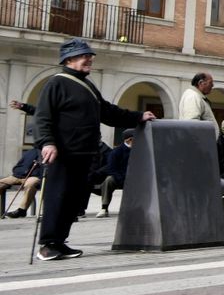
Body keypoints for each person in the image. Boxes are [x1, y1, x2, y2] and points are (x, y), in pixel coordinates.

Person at [33, 39, 155, 261]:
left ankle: (60, 242)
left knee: (74, 201)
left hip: (85, 153)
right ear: (69, 59)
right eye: (83, 56)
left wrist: (138, 116)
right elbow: (43, 117)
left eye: (89, 55)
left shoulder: (88, 86)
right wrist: (47, 143)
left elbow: (107, 112)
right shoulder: (56, 83)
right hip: (63, 153)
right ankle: (47, 245)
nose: (89, 58)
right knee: (57, 198)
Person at [91, 128, 136, 216]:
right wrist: (122, 179)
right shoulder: (117, 151)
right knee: (109, 180)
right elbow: (112, 169)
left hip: (135, 178)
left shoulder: (140, 150)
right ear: (130, 140)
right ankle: (104, 208)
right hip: (120, 177)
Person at [1, 143, 44, 217]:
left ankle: (22, 210)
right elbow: (18, 165)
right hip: (19, 176)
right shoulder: (29, 152)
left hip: (34, 176)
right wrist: (19, 171)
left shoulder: (47, 153)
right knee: (1, 183)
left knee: (30, 184)